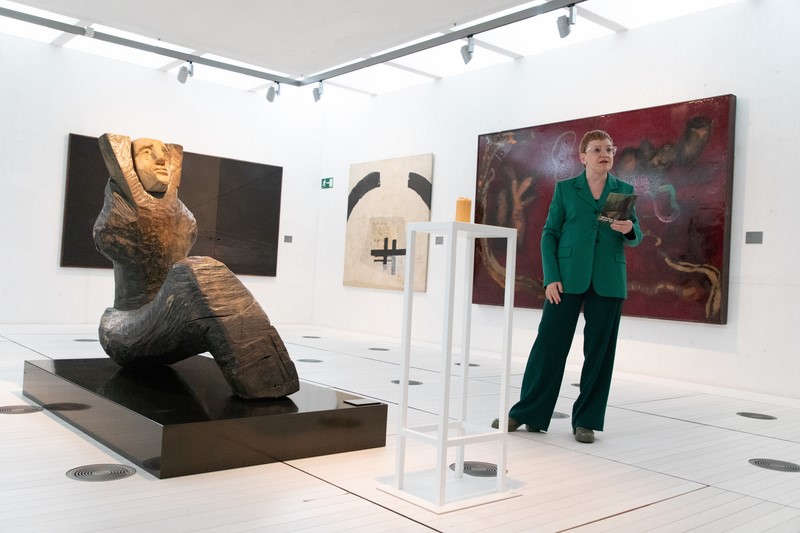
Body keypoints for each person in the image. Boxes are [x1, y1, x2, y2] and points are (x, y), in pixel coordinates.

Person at [492, 129, 642, 443]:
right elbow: (550, 234)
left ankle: (586, 420)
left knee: (599, 353)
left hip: (608, 279)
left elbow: (635, 236)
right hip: (567, 277)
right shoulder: (566, 189)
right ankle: (527, 412)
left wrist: (629, 228)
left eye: (609, 149)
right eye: (597, 149)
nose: (605, 154)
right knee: (548, 345)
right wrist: (551, 277)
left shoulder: (623, 190)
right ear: (583, 156)